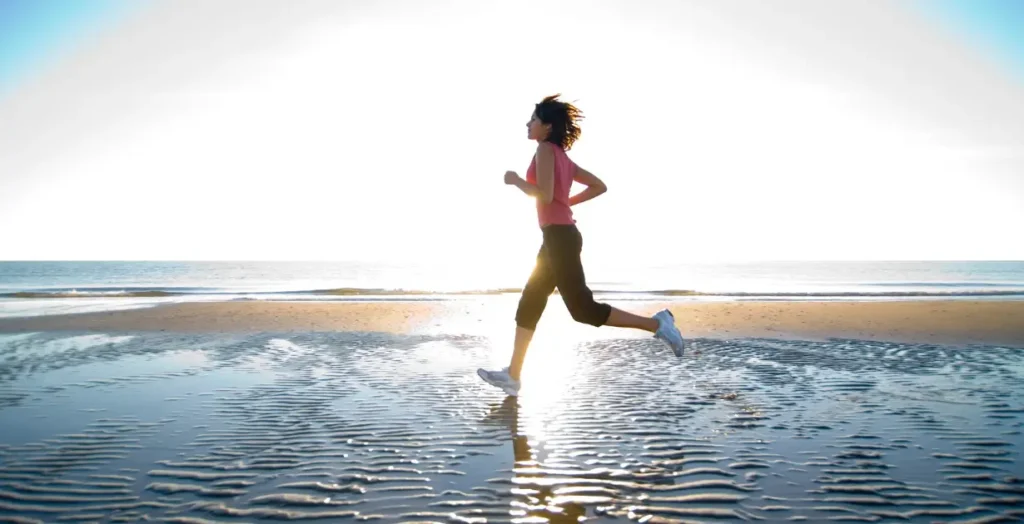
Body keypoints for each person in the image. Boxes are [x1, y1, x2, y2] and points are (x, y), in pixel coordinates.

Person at [477, 94, 685, 397]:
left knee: (583, 310)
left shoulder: (546, 150)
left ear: (547, 126)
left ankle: (658, 324)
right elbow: (598, 186)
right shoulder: (563, 157)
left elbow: (544, 196)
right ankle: (513, 375)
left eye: (533, 119)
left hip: (560, 238)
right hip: (556, 237)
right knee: (531, 301)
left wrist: (517, 181)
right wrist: (567, 202)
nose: (528, 123)